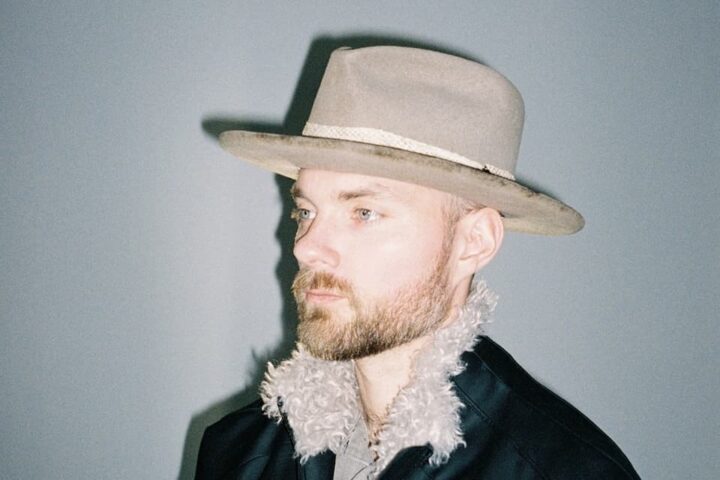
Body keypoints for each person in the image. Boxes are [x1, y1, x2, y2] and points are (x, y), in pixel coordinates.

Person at [195, 46, 640, 479]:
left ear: (474, 242)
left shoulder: (563, 470)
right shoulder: (237, 452)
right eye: (306, 212)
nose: (307, 249)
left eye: (364, 212)